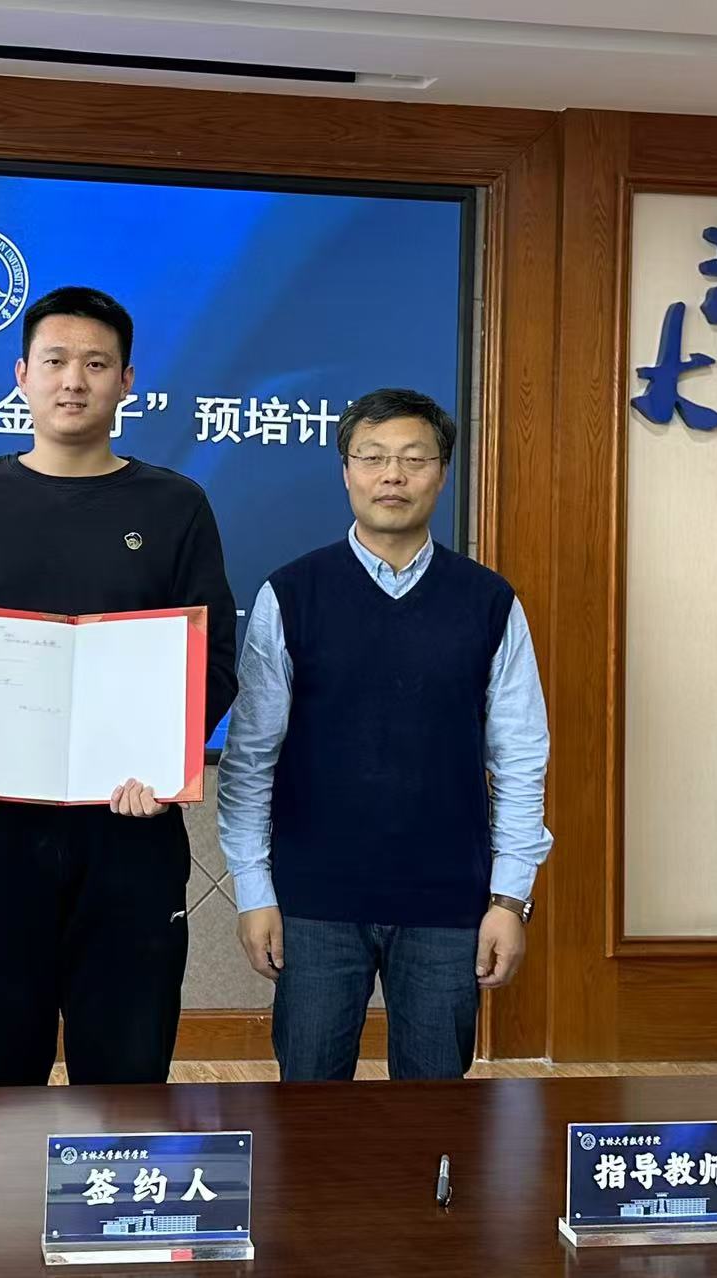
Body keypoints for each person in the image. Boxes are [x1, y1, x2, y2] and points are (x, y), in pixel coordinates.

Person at [0, 286, 237, 1087]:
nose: (73, 380)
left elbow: (215, 657)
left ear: (127, 381)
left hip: (131, 829)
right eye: (54, 361)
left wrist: (163, 766)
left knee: (127, 1071)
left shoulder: (176, 505)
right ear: (21, 374)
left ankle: (116, 1177)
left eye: (96, 363)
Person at [217, 387, 551, 1081]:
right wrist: (254, 890)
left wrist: (508, 899)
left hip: (447, 902)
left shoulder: (489, 601)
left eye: (413, 458)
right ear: (346, 471)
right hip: (314, 901)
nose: (392, 475)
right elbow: (250, 760)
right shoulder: (292, 593)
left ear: (442, 472)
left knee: (433, 1112)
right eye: (371, 457)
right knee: (309, 1105)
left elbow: (521, 758)